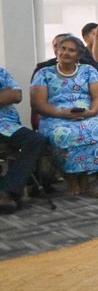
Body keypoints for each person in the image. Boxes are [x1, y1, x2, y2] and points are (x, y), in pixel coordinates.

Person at [30, 36, 98, 195]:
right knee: (63, 134)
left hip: (87, 113)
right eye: (62, 49)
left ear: (79, 55)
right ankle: (70, 179)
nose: (65, 53)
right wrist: (60, 113)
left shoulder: (88, 71)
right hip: (55, 116)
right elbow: (38, 104)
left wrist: (92, 112)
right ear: (57, 51)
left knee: (96, 128)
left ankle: (85, 177)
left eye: (71, 50)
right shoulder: (44, 73)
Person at [0, 66, 50, 214]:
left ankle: (8, 190)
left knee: (36, 139)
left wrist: (8, 95)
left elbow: (16, 95)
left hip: (5, 124)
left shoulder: (1, 72)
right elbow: (7, 95)